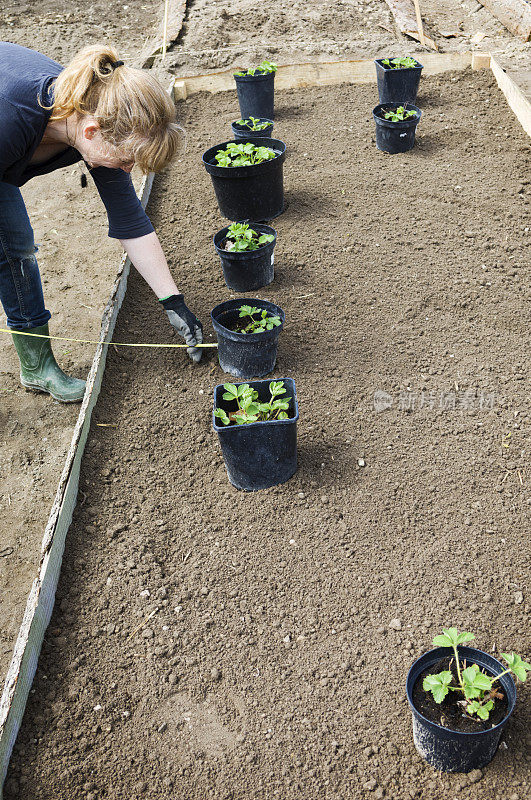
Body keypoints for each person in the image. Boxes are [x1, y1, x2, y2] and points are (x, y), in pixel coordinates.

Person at [0, 41, 203, 403]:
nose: (127, 170)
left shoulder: (94, 116)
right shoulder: (14, 117)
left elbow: (130, 219)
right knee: (11, 243)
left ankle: (36, 368)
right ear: (91, 133)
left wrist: (173, 302)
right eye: (127, 161)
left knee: (16, 246)